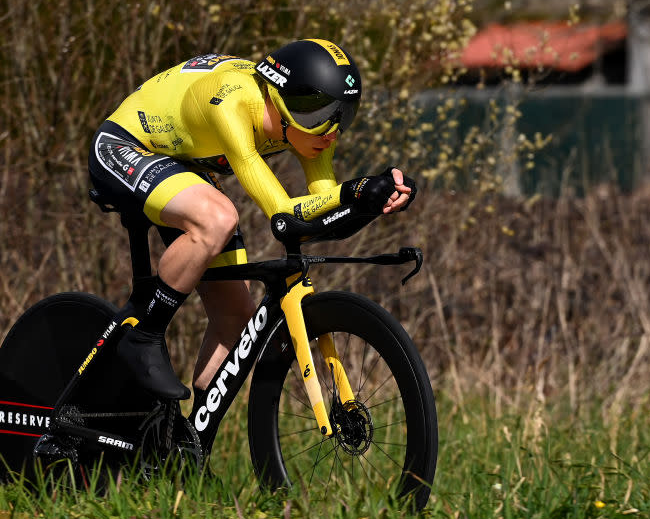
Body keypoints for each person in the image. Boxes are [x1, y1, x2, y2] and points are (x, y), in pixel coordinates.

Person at [88, 39, 415, 402]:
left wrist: (372, 200)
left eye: (343, 114)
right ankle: (143, 336)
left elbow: (319, 217)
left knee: (236, 317)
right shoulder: (232, 104)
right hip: (124, 146)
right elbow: (284, 214)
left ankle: (188, 443)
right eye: (317, 113)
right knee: (218, 217)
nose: (330, 130)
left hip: (185, 165)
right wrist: (352, 192)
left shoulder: (314, 131)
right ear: (276, 98)